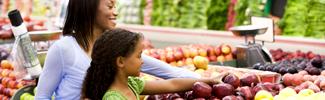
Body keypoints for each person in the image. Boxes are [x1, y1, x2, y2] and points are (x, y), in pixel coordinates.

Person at [36, 0, 200, 99]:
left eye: (116, 5)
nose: (116, 12)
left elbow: (171, 74)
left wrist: (211, 81)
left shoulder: (113, 47)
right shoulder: (63, 49)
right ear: (89, 6)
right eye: (110, 6)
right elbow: (42, 96)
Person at [81, 28, 228, 100]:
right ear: (120, 61)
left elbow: (172, 85)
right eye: (139, 56)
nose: (143, 61)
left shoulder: (132, 84)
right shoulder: (113, 97)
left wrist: (207, 81)